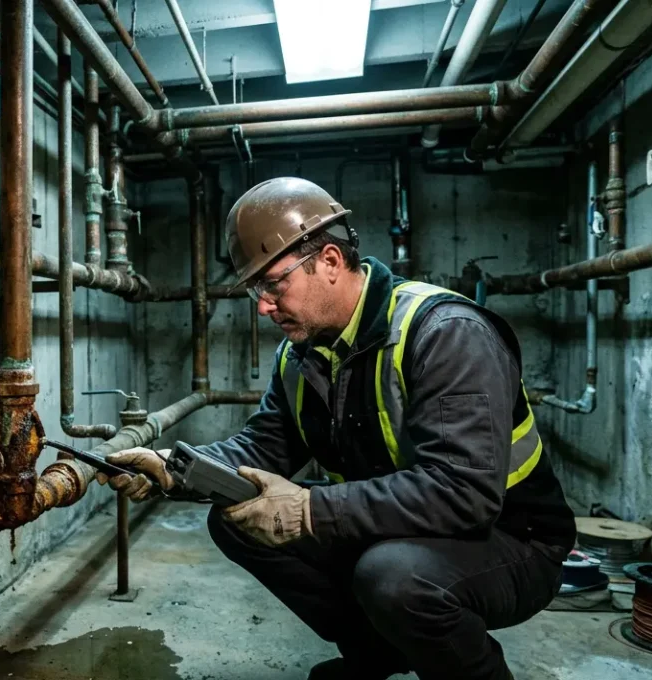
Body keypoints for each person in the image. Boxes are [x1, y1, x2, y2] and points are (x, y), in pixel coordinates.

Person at [98, 177, 576, 680]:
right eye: (255, 290)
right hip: (405, 526)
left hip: (511, 539)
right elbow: (264, 445)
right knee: (235, 519)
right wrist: (176, 472)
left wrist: (309, 511)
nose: (263, 306)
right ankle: (379, 652)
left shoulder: (445, 334)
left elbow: (464, 493)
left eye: (273, 283)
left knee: (394, 576)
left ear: (329, 261)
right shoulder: (302, 354)